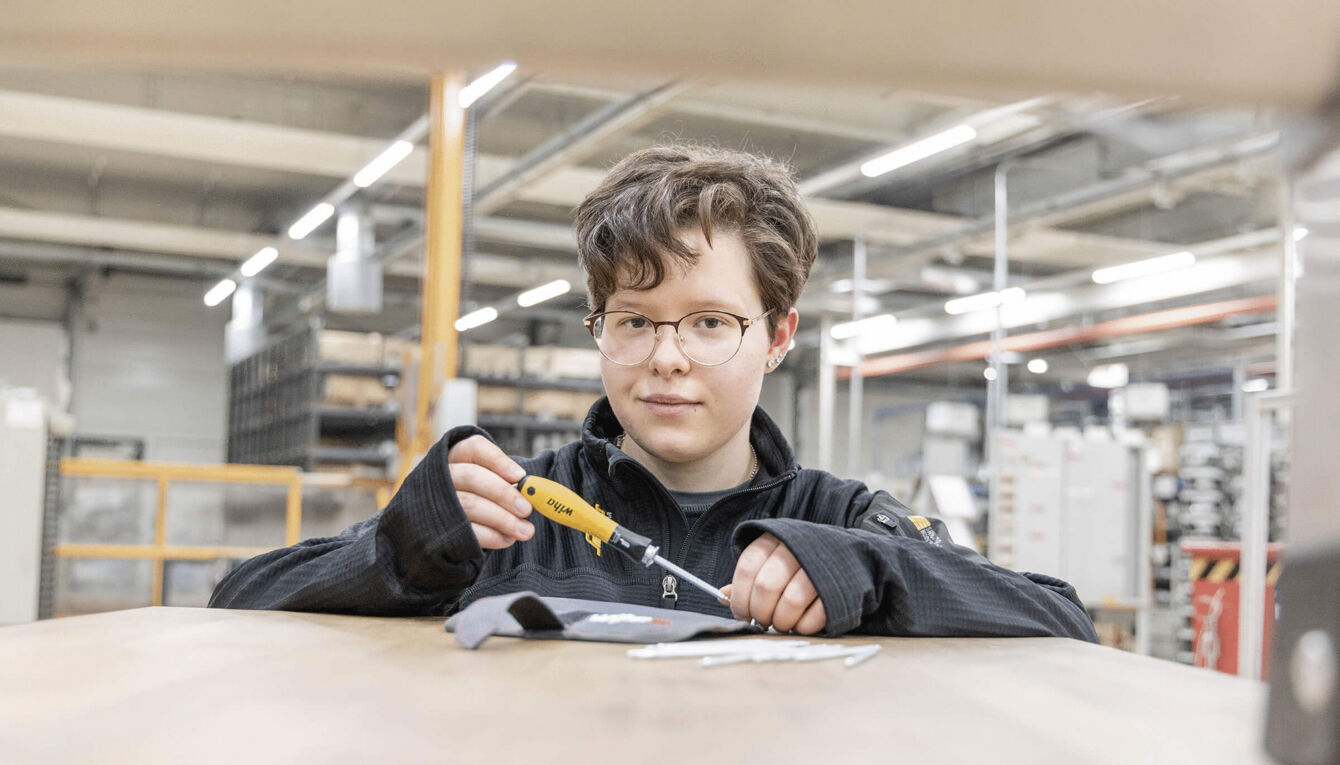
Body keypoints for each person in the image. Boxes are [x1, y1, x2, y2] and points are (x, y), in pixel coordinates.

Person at [210, 145, 1097, 643]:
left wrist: (869, 571)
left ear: (778, 335)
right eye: (634, 321)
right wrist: (397, 553)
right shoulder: (514, 517)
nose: (666, 358)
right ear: (600, 328)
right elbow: (239, 597)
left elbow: (1062, 615)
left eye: (710, 322)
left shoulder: (844, 522)